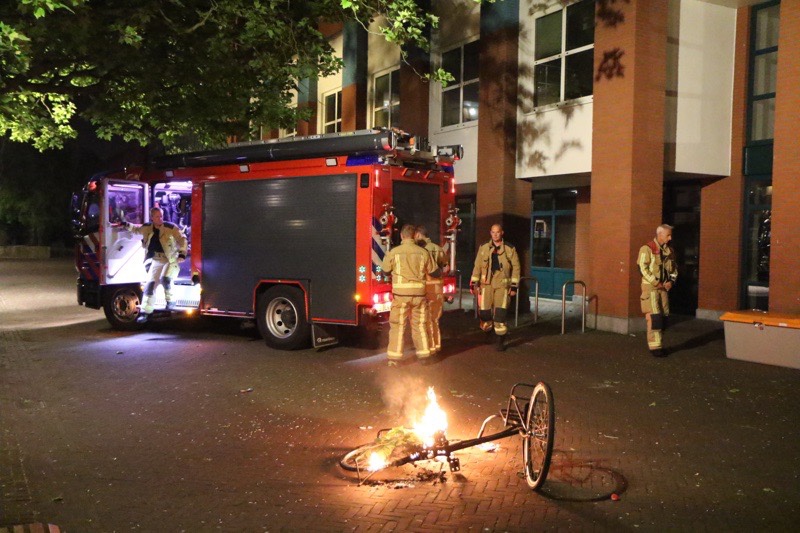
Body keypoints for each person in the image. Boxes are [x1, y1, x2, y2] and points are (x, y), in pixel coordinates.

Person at [382, 224, 441, 366]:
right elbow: (434, 272)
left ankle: (394, 359)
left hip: (401, 296)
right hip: (419, 296)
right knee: (420, 325)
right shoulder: (423, 252)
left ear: (402, 236)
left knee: (398, 325)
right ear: (415, 236)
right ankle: (424, 355)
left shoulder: (394, 252)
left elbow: (385, 270)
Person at [125, 206, 188, 323]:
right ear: (152, 218)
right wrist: (126, 224)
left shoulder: (170, 228)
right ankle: (145, 312)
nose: (160, 219)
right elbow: (136, 229)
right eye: (157, 217)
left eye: (161, 216)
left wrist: (182, 254)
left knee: (165, 279)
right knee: (150, 286)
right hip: (156, 260)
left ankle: (171, 301)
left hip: (170, 260)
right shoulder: (147, 227)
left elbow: (182, 238)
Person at [470, 224, 520, 351]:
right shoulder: (483, 248)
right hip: (486, 285)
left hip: (502, 286)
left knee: (500, 315)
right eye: (493, 232)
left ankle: (500, 340)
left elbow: (516, 268)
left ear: (502, 233)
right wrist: (474, 283)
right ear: (490, 233)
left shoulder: (509, 248)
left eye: (497, 232)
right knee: (484, 313)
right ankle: (488, 333)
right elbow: (477, 266)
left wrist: (514, 286)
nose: (495, 234)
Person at [637, 224, 678, 357]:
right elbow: (642, 268)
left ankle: (658, 344)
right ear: (660, 234)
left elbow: (674, 269)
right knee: (655, 318)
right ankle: (655, 348)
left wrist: (671, 282)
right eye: (668, 235)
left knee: (664, 317)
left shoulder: (669, 251)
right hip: (651, 289)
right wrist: (656, 282)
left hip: (663, 289)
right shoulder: (647, 249)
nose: (670, 238)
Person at [415, 225, 450, 355]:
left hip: (425, 289)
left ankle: (427, 348)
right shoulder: (437, 248)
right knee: (434, 320)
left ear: (418, 235)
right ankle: (436, 347)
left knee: (424, 321)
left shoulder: (419, 250)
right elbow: (446, 267)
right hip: (437, 289)